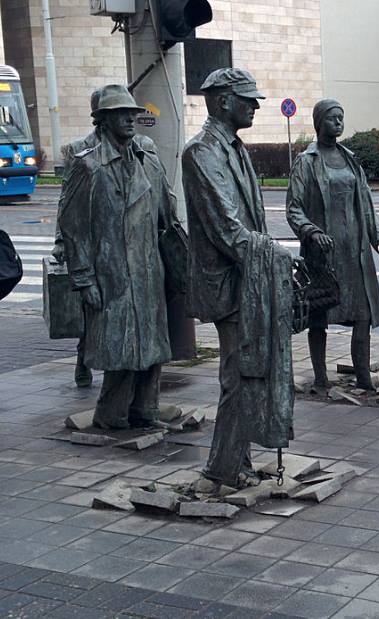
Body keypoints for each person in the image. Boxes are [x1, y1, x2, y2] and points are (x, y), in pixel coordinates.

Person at [183, 68, 295, 490]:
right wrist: (274, 256)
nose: (255, 105)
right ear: (222, 100)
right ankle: (223, 467)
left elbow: (252, 221)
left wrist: (269, 254)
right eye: (247, 98)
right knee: (237, 375)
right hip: (227, 284)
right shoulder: (201, 153)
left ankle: (238, 460)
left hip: (249, 278)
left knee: (247, 372)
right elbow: (227, 228)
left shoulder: (236, 149)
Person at [58, 85, 176, 430]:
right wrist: (83, 278)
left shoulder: (146, 159)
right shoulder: (89, 166)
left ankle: (144, 410)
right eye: (120, 113)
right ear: (103, 120)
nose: (130, 118)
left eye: (132, 112)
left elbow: (166, 214)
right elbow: (73, 226)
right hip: (112, 273)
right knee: (121, 347)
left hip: (149, 269)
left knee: (152, 346)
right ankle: (110, 414)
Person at [287, 99, 379, 394]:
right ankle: (320, 378)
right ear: (319, 123)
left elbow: (367, 208)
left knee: (362, 315)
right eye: (332, 118)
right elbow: (294, 208)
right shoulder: (306, 161)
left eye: (341, 117)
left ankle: (363, 375)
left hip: (355, 253)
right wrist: (311, 232)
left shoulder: (351, 159)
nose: (338, 123)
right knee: (319, 317)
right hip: (323, 255)